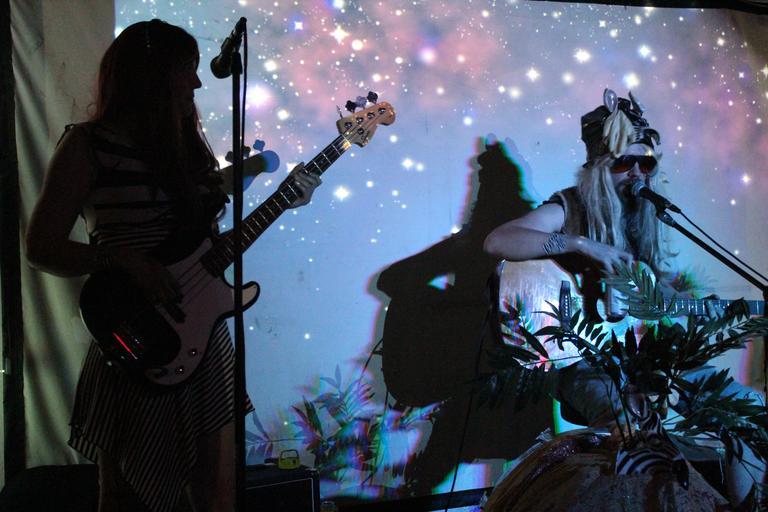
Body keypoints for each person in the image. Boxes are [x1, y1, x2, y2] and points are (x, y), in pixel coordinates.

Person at [25, 19, 320, 512]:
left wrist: (284, 201)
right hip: (133, 333)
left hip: (205, 340)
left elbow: (202, 243)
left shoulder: (185, 146)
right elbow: (41, 247)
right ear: (152, 76)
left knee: (217, 496)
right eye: (188, 70)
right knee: (124, 498)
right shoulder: (87, 145)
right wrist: (123, 260)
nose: (198, 83)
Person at [483, 88, 764, 507]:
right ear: (600, 166)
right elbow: (498, 241)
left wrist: (689, 304)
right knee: (635, 431)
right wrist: (580, 244)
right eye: (623, 163)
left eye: (645, 163)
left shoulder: (645, 216)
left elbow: (648, 300)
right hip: (584, 361)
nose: (636, 173)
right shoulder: (570, 206)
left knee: (749, 409)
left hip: (647, 357)